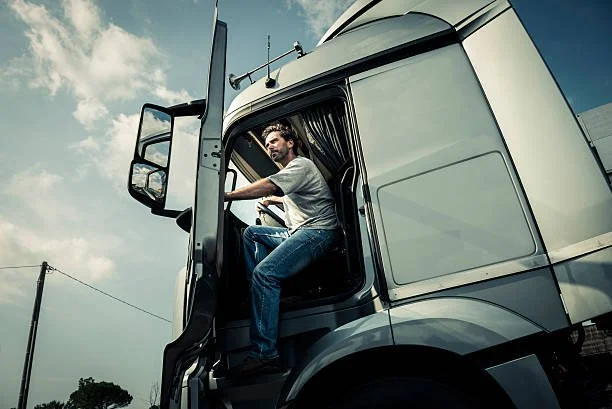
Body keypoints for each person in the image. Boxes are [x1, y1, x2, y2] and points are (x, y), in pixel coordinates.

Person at [223, 122, 340, 378]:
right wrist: (273, 201)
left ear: (290, 143)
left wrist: (227, 195)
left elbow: (271, 185)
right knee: (252, 233)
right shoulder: (294, 175)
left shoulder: (300, 165)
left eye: (274, 141)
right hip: (298, 232)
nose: (270, 147)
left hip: (319, 232)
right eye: (267, 144)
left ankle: (264, 354)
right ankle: (263, 295)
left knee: (265, 274)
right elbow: (285, 195)